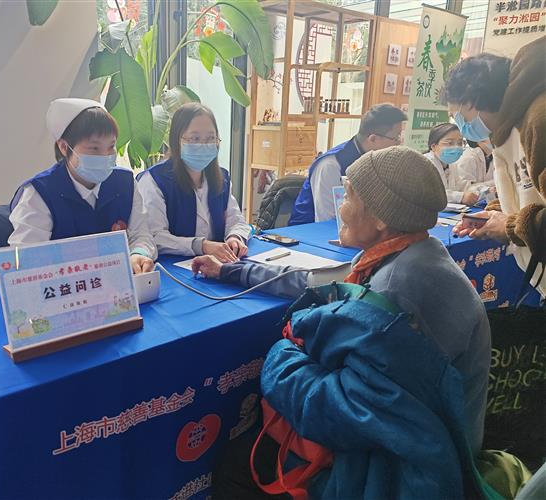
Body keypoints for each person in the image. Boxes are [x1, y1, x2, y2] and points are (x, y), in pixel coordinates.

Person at [195, 148, 490, 470]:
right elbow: (314, 283)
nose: (341, 208)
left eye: (348, 197)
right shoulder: (412, 253)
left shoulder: (394, 293)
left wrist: (280, 359)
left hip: (404, 472)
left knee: (235, 464)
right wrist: (230, 270)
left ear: (381, 217)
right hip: (421, 445)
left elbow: (342, 416)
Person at [444, 36, 545, 297]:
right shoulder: (507, 128)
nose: (460, 126)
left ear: (470, 101)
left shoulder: (538, 120)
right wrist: (497, 214)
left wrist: (510, 226)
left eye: (456, 116)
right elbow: (532, 191)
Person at [8, 98, 156, 274]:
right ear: (64, 147)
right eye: (94, 149)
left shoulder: (125, 182)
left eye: (111, 147)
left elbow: (141, 234)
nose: (105, 156)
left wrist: (138, 253)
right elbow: (26, 257)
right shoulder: (40, 192)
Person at [137, 102, 250, 262]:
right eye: (195, 138)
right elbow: (154, 236)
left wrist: (235, 237)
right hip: (171, 266)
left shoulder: (221, 178)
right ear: (177, 140)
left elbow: (236, 220)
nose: (203, 145)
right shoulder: (154, 180)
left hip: (216, 264)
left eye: (211, 138)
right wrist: (200, 245)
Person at [288, 103, 407, 225]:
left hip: (355, 228)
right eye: (396, 138)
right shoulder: (331, 165)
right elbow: (327, 219)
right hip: (310, 230)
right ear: (373, 139)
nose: (399, 144)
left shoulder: (376, 160)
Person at [424, 123, 478, 205]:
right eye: (450, 143)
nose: (456, 147)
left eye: (459, 143)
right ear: (433, 146)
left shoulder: (451, 164)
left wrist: (480, 191)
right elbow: (430, 193)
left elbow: (460, 186)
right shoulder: (425, 163)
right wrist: (460, 197)